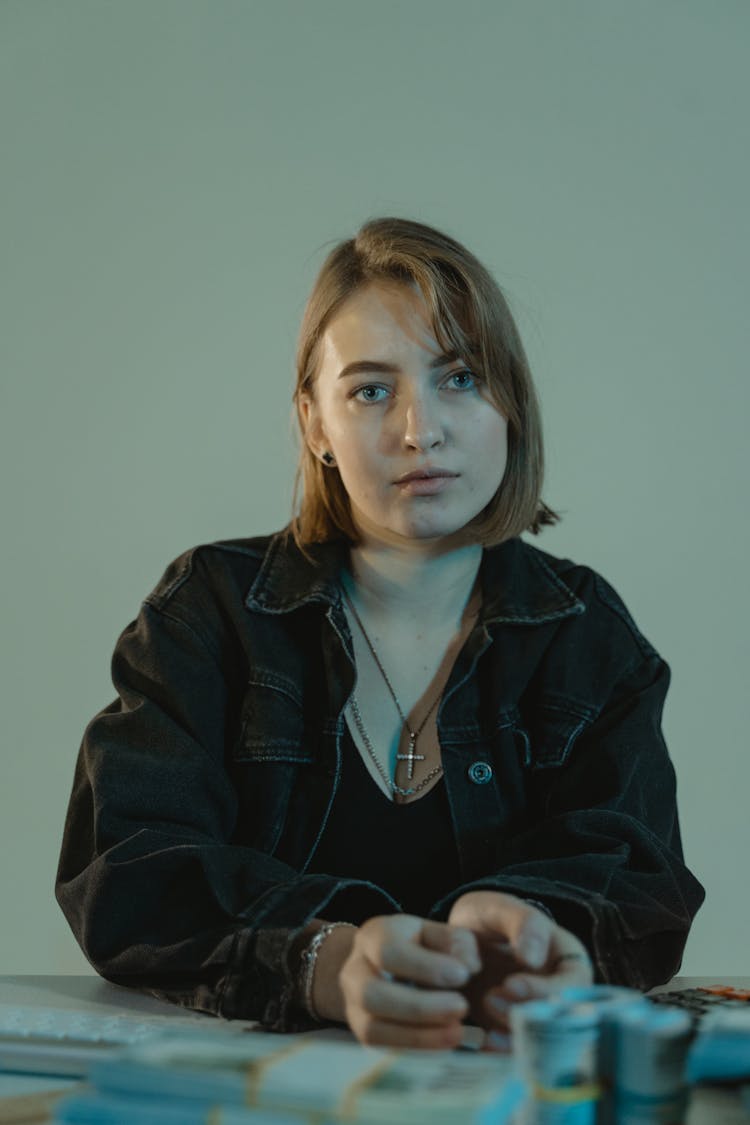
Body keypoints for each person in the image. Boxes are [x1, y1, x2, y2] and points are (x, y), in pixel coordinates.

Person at [56, 217, 705, 1050]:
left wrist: (540, 925)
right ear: (315, 422)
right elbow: (125, 870)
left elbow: (640, 876)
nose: (418, 430)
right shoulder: (207, 610)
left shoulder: (590, 635)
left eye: (461, 378)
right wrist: (326, 959)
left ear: (511, 401)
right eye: (370, 390)